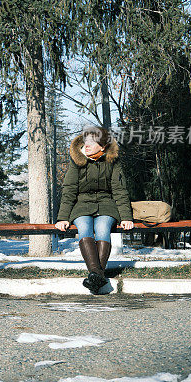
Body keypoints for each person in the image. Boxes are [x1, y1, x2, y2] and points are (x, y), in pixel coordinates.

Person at [55, 124, 134, 294]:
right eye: (86, 141)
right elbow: (69, 190)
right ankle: (97, 274)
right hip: (81, 205)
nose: (87, 145)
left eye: (92, 142)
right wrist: (62, 218)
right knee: (84, 228)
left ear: (103, 146)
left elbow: (119, 190)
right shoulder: (77, 160)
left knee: (102, 228)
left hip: (106, 205)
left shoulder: (113, 161)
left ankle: (94, 275)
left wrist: (126, 217)